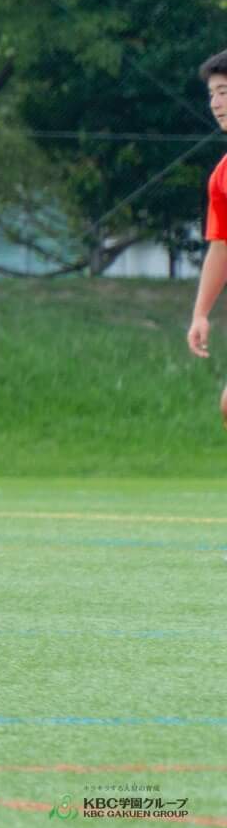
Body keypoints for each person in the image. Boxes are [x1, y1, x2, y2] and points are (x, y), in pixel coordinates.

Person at [184, 50, 227, 519]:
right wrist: (200, 313)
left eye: (225, 92)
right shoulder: (222, 176)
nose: (217, 103)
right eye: (213, 94)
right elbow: (221, 246)